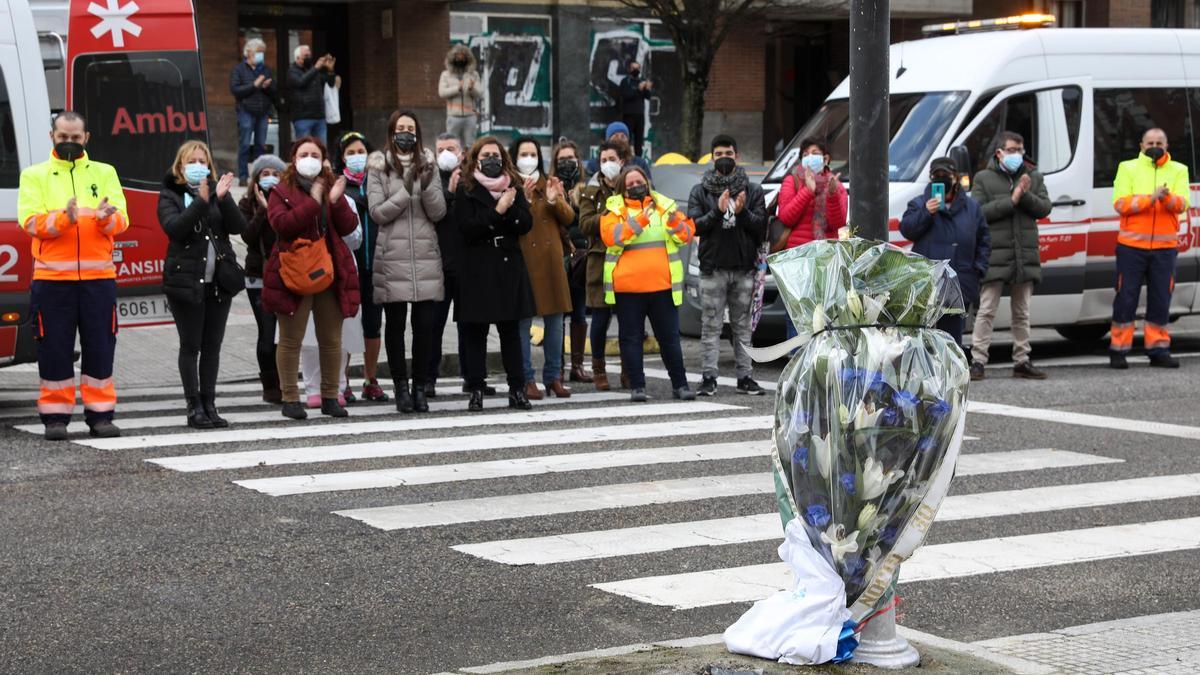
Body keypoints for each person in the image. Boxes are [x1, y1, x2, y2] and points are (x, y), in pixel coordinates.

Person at [18, 111, 127, 440]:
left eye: (75, 138)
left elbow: (122, 220)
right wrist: (65, 219)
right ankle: (55, 418)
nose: (69, 142)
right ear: (52, 136)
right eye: (63, 137)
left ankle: (101, 415)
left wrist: (107, 218)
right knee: (54, 348)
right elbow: (31, 223)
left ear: (86, 139)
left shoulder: (105, 172)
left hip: (98, 280)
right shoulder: (35, 175)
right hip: (52, 283)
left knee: (100, 347)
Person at [263, 136, 360, 420]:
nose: (309, 159)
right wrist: (314, 203)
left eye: (314, 154)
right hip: (293, 272)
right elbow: (282, 225)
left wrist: (336, 201)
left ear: (323, 159)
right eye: (304, 154)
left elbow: (348, 227)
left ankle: (331, 396)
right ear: (294, 159)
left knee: (331, 339)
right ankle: (291, 398)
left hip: (330, 269)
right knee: (291, 339)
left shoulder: (331, 186)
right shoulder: (280, 191)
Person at [157, 141, 246, 429]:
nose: (198, 165)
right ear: (180, 167)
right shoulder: (170, 195)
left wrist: (223, 198)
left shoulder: (217, 193)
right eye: (191, 161)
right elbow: (175, 228)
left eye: (202, 160)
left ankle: (209, 404)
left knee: (212, 347)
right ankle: (193, 405)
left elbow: (237, 227)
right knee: (191, 345)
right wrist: (202, 201)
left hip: (218, 283)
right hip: (186, 283)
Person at [367, 111, 448, 413]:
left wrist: (425, 184)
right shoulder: (378, 166)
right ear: (391, 132)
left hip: (425, 255)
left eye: (410, 129)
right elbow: (378, 212)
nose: (405, 133)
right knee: (396, 325)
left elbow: (438, 212)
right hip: (392, 256)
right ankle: (400, 386)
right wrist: (406, 188)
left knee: (425, 326)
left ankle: (420, 386)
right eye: (400, 129)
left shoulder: (429, 164)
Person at [453, 136, 536, 412]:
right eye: (486, 155)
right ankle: (476, 389)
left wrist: (511, 207)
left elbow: (525, 224)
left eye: (496, 155)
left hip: (507, 265)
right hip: (477, 267)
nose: (492, 160)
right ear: (476, 159)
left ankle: (517, 389)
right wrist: (498, 210)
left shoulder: (513, 187)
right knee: (475, 332)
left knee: (510, 331)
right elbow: (466, 228)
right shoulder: (466, 190)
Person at [600, 166, 697, 402]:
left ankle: (680, 385)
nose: (635, 186)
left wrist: (674, 222)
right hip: (628, 290)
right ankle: (637, 386)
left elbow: (686, 235)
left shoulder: (665, 206)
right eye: (630, 184)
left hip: (662, 287)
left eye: (638, 181)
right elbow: (611, 237)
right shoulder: (614, 210)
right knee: (631, 339)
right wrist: (642, 218)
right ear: (623, 188)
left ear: (647, 182)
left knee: (669, 339)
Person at [687, 134, 768, 396]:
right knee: (710, 326)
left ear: (737, 156)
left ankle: (745, 376)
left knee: (742, 327)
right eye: (720, 153)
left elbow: (761, 228)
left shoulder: (753, 190)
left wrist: (742, 212)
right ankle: (709, 377)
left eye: (729, 153)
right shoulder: (700, 191)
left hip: (743, 269)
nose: (724, 158)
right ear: (712, 158)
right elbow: (693, 226)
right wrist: (717, 212)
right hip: (713, 268)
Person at [969, 131, 1053, 381]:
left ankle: (1022, 360)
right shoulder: (983, 178)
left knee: (1022, 311)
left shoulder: (1033, 177)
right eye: (1013, 150)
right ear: (1000, 153)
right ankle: (978, 360)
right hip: (995, 253)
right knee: (986, 309)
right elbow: (979, 212)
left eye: (1020, 149)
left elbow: (1045, 207)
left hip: (1023, 253)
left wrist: (1024, 196)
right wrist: (1012, 200)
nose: (1018, 154)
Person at [1109, 128, 1189, 369]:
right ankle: (1119, 350)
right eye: (1150, 142)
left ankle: (1158, 349)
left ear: (1166, 145)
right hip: (1131, 247)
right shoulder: (1127, 168)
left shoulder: (1179, 170)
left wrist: (1165, 198)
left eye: (1160, 142)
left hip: (1165, 248)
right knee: (1126, 298)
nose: (1155, 145)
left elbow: (1183, 203)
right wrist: (1150, 198)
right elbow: (1121, 203)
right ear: (1141, 145)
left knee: (1161, 299)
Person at [900, 157, 990, 350]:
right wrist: (926, 212)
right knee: (925, 343)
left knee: (952, 342)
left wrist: (978, 269)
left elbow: (984, 240)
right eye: (936, 176)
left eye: (946, 175)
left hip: (959, 282)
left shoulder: (972, 207)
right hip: (928, 285)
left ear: (955, 178)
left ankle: (953, 378)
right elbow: (906, 229)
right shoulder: (919, 204)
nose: (941, 179)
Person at [511, 135, 575, 400]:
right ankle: (527, 379)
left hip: (551, 260)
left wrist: (553, 199)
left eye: (533, 154)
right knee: (524, 322)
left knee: (556, 321)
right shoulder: (509, 184)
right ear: (514, 158)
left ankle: (554, 377)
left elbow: (569, 217)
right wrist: (523, 200)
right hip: (523, 259)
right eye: (524, 154)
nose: (529, 159)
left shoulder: (549, 182)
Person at [427, 133, 485, 397]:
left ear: (462, 153)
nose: (445, 154)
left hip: (467, 264)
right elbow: (433, 215)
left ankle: (473, 378)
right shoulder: (430, 180)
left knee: (470, 325)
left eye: (450, 148)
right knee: (433, 325)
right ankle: (428, 378)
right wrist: (449, 193)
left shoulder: (472, 180)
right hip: (438, 264)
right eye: (440, 149)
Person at [337, 131, 388, 402]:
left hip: (377, 265)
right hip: (348, 269)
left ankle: (370, 380)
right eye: (351, 153)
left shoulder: (379, 183)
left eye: (361, 152)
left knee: (372, 324)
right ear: (342, 157)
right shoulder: (340, 185)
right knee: (347, 324)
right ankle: (342, 380)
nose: (357, 157)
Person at [238, 154, 286, 403]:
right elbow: (246, 236)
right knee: (267, 333)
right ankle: (270, 384)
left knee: (286, 333)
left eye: (275, 174)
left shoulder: (288, 200)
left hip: (287, 275)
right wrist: (263, 211)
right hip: (258, 276)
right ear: (256, 179)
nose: (270, 179)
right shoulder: (247, 204)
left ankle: (286, 381)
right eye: (264, 174)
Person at [579, 141, 625, 390]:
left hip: (628, 259)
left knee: (629, 320)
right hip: (600, 260)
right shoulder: (591, 191)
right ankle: (598, 369)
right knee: (600, 319)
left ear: (622, 161)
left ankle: (629, 368)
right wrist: (608, 218)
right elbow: (584, 223)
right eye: (604, 159)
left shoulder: (631, 185)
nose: (608, 164)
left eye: (612, 159)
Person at [550, 139, 593, 384]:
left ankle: (577, 366)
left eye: (571, 158)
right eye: (562, 159)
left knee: (578, 313)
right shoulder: (551, 187)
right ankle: (557, 368)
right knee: (558, 315)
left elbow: (584, 221)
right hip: (558, 257)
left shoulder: (584, 188)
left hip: (579, 259)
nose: (567, 163)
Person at [230, 38, 276, 186]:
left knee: (260, 146)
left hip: (262, 112)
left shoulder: (266, 69)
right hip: (245, 111)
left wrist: (268, 87)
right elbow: (235, 90)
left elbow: (274, 91)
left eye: (262, 52)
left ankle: (258, 176)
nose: (261, 55)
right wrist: (255, 85)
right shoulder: (239, 70)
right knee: (244, 144)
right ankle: (243, 177)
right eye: (259, 52)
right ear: (248, 52)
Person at [287, 45, 336, 142]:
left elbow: (330, 83)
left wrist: (330, 70)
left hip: (319, 116)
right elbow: (300, 82)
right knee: (304, 146)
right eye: (306, 56)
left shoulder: (314, 70)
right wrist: (316, 68)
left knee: (322, 147)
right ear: (298, 58)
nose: (309, 58)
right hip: (303, 117)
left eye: (310, 55)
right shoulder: (292, 71)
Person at [439, 44, 484, 149]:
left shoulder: (474, 74)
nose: (460, 58)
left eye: (463, 56)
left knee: (470, 145)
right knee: (452, 144)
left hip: (470, 116)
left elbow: (480, 93)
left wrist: (472, 88)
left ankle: (469, 164)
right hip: (453, 116)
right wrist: (457, 89)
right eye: (458, 56)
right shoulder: (446, 75)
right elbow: (442, 92)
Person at [585, 122, 651, 179]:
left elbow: (650, 187)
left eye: (623, 136)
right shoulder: (593, 164)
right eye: (615, 136)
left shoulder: (639, 163)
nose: (619, 139)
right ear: (608, 140)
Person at [618, 60, 653, 158]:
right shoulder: (625, 81)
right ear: (629, 69)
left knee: (639, 141)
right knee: (626, 140)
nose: (636, 70)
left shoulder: (641, 80)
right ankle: (625, 158)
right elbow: (625, 95)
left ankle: (639, 160)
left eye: (638, 68)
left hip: (640, 115)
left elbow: (648, 96)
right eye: (634, 68)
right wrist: (638, 89)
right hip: (628, 115)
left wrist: (647, 88)